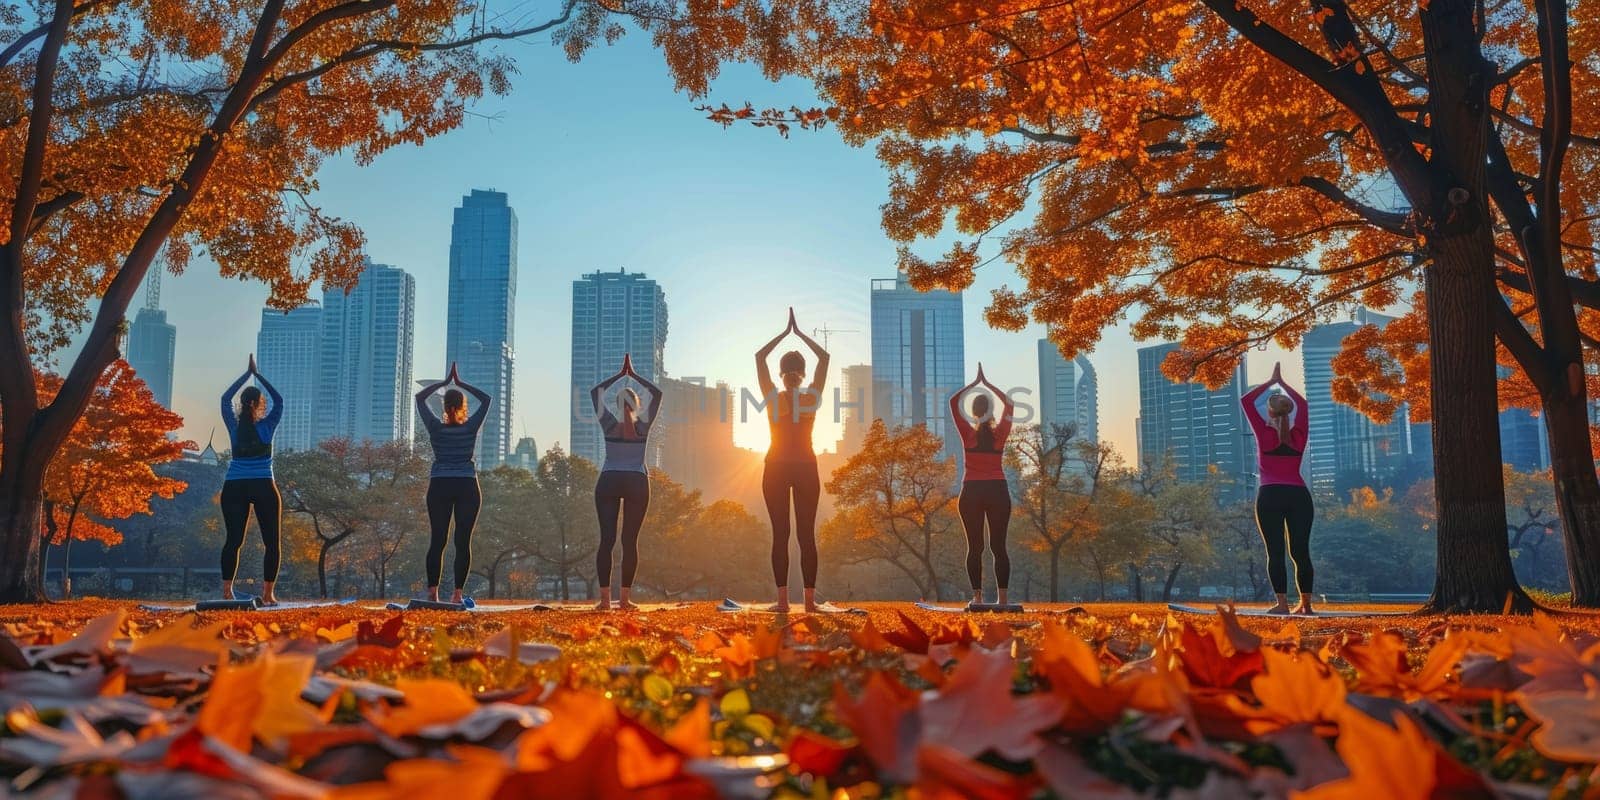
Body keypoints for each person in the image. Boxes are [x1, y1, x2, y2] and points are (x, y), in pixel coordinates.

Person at [755, 308, 829, 612]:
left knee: (781, 535)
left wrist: (784, 334)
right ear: (802, 373)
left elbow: (759, 357)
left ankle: (783, 602)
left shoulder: (773, 396)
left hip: (775, 468)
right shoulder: (811, 397)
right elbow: (824, 360)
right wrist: (800, 335)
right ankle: (810, 602)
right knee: (806, 535)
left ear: (781, 373)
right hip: (806, 468)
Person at [590, 354, 663, 611]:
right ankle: (624, 601)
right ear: (636, 404)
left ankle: (604, 601)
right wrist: (633, 375)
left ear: (618, 403)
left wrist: (620, 375)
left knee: (606, 540)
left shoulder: (609, 424)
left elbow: (595, 392)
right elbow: (657, 393)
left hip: (609, 481)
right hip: (636, 482)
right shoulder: (643, 426)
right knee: (629, 541)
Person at [415, 362, 491, 605]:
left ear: (444, 406)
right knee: (462, 541)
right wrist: (460, 383)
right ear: (462, 406)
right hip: (466, 485)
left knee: (438, 539)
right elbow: (486, 399)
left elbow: (419, 398)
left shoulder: (435, 427)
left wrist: (443, 383)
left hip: (440, 485)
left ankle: (432, 592)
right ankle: (457, 594)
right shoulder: (470, 427)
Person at [1241, 362, 1314, 615]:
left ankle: (1282, 604)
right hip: (1299, 496)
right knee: (1300, 551)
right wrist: (1284, 385)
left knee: (1275, 552)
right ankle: (1306, 605)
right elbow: (1303, 405)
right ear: (1289, 413)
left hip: (1270, 495)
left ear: (1270, 413)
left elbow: (1246, 402)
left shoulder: (1264, 434)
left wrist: (1271, 382)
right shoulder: (1299, 435)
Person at [219, 355, 284, 605]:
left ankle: (227, 592)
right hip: (263, 485)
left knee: (233, 541)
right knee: (272, 543)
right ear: (259, 404)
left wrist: (246, 376)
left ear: (243, 404)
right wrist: (258, 376)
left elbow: (225, 399)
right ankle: (268, 595)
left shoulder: (234, 426)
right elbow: (279, 400)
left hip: (234, 486)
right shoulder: (268, 425)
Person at [949, 364, 1015, 608]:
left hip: (972, 492)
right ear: (991, 412)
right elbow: (1010, 404)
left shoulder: (968, 434)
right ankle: (1003, 599)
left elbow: (953, 403)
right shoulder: (1000, 434)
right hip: (997, 490)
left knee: (974, 547)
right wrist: (987, 384)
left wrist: (974, 384)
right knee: (999, 547)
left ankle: (977, 598)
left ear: (975, 413)